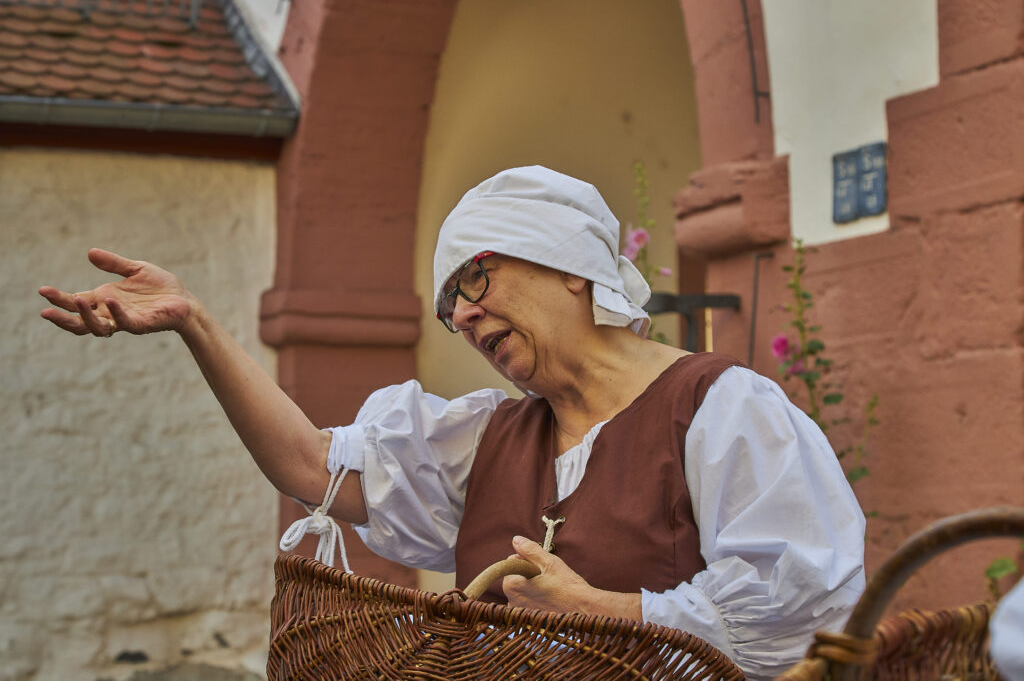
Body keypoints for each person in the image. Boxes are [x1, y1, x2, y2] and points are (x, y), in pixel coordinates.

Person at [40, 165, 865, 679]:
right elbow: (307, 464)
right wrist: (196, 323)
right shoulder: (485, 440)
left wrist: (609, 610)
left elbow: (798, 616)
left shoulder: (723, 410)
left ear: (570, 265)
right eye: (448, 310)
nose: (464, 318)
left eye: (474, 281)